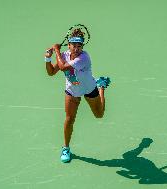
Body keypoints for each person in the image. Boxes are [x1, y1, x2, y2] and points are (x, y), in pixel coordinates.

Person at [44, 29, 111, 163]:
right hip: (72, 91)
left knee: (99, 115)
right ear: (68, 45)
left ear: (82, 46)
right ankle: (66, 148)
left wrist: (56, 50)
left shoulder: (84, 58)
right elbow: (51, 72)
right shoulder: (64, 56)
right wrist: (48, 58)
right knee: (69, 118)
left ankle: (101, 86)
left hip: (89, 88)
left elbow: (62, 68)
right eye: (73, 45)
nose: (76, 48)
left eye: (79, 46)